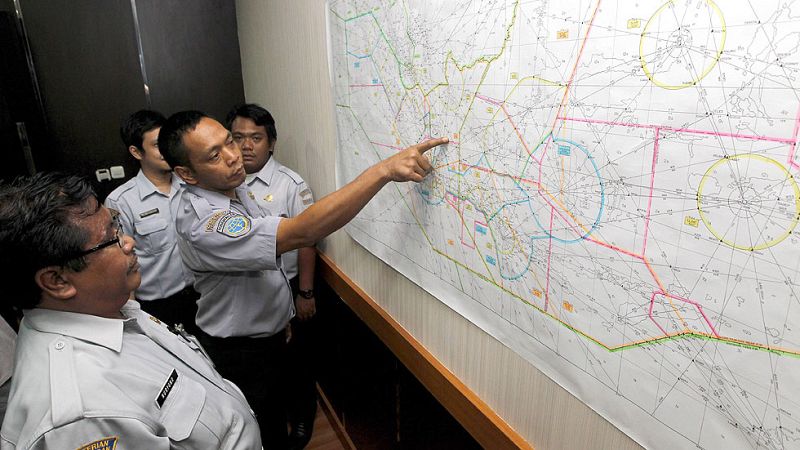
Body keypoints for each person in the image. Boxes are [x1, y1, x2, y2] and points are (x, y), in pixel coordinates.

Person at [158, 110, 447, 449]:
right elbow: (302, 232)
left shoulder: (232, 188)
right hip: (241, 352)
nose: (234, 155)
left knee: (279, 417)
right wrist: (383, 171)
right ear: (186, 174)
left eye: (229, 142)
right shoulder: (205, 223)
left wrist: (283, 319)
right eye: (214, 155)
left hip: (269, 335)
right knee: (262, 434)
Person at [0, 172, 261, 448]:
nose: (129, 242)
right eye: (111, 238)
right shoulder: (85, 414)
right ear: (58, 281)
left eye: (117, 225)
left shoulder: (108, 307)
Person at [226, 104, 317, 449]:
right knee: (264, 368)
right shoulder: (225, 184)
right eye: (238, 137)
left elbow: (307, 239)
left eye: (256, 138)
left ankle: (303, 418)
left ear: (271, 143)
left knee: (296, 362)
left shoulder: (289, 184)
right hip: (246, 291)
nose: (246, 146)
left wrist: (305, 293)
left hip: (288, 285)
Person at [104, 110, 199, 334]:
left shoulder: (193, 184)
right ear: (136, 152)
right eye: (157, 145)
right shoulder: (122, 201)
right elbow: (121, 263)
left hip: (203, 295)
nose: (167, 149)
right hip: (159, 307)